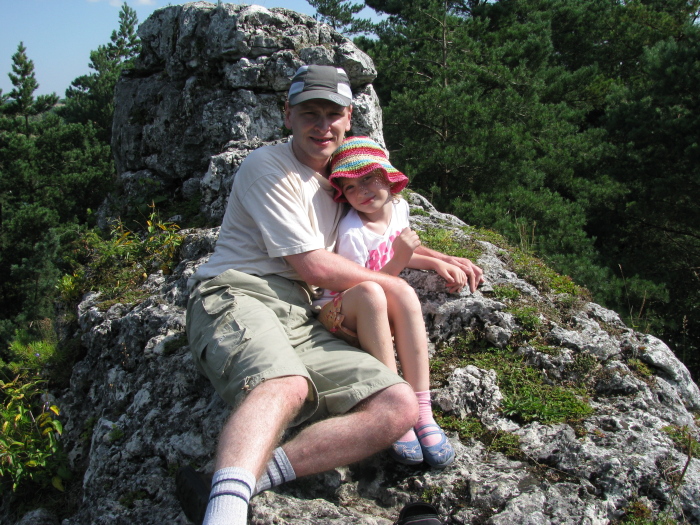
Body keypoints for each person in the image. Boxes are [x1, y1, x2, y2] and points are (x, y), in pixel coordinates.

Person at [184, 64, 484, 525]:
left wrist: (436, 256)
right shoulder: (269, 167)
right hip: (240, 292)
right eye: (309, 113)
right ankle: (224, 516)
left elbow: (382, 238)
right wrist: (394, 284)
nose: (322, 125)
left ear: (348, 119)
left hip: (304, 312)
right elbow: (314, 266)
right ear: (288, 115)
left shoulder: (344, 182)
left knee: (398, 406)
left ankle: (237, 484)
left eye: (332, 114)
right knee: (286, 385)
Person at [313, 136, 467, 468]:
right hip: (339, 316)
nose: (361, 192)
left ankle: (421, 410)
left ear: (387, 176)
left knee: (405, 293)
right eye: (350, 187)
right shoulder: (352, 233)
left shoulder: (399, 209)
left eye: (368, 178)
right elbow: (368, 286)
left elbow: (399, 250)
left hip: (372, 303)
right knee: (384, 290)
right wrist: (400, 259)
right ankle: (394, 405)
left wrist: (435, 262)